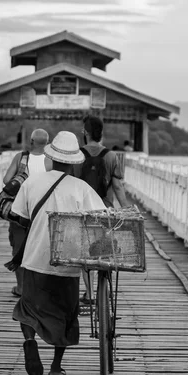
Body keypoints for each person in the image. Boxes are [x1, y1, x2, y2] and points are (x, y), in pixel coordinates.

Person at [10, 131, 105, 375]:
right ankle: (55, 367)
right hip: (68, 262)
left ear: (51, 158)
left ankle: (30, 340)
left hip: (34, 259)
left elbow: (19, 214)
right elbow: (101, 219)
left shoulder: (32, 182)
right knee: (64, 316)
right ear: (75, 161)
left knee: (27, 308)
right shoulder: (81, 188)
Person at [75, 114, 128, 304]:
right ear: (101, 133)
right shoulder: (111, 156)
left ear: (85, 132)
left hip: (83, 212)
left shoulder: (77, 155)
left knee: (85, 251)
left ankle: (89, 294)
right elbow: (118, 187)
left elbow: (71, 184)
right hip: (105, 211)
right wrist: (127, 209)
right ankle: (105, 290)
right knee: (106, 249)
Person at [3, 128, 53, 297]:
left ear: (31, 141)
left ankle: (21, 288)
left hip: (19, 211)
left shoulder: (21, 157)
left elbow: (6, 180)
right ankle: (39, 288)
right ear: (47, 143)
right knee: (41, 248)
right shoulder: (51, 160)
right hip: (42, 212)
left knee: (18, 247)